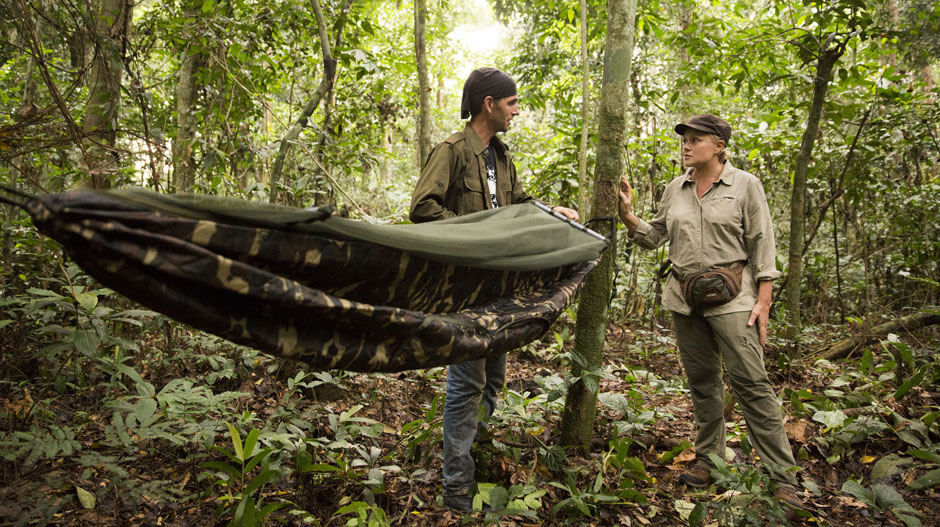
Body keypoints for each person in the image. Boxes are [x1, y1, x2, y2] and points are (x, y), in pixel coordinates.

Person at [410, 67, 579, 512]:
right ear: (490, 104)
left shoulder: (501, 156)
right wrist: (473, 236)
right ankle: (456, 489)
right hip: (465, 291)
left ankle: (479, 454)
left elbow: (518, 206)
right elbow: (422, 208)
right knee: (466, 381)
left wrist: (550, 212)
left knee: (494, 377)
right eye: (512, 103)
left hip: (500, 291)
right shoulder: (451, 151)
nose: (516, 111)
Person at [618, 114, 802, 506]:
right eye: (684, 139)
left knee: (752, 385)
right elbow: (654, 237)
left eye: (696, 139)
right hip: (685, 298)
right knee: (703, 383)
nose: (686, 145)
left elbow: (761, 241)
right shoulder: (676, 188)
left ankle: (783, 477)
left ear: (719, 146)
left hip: (734, 297)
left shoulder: (745, 185)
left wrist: (764, 299)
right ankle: (709, 460)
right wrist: (627, 214)